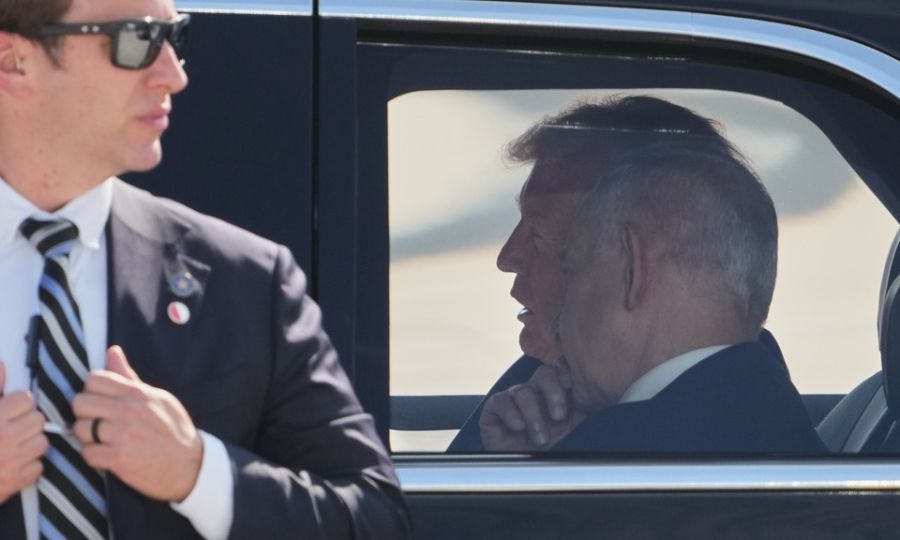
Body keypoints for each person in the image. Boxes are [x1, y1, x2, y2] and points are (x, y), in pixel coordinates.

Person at [0, 0, 410, 539]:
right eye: (137, 39)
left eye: (176, 37)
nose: (174, 75)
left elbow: (373, 520)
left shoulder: (244, 279)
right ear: (14, 61)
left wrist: (198, 473)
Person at [479, 140, 824, 453]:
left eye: (573, 270)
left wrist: (530, 468)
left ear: (633, 271)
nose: (560, 317)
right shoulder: (769, 409)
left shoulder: (621, 456)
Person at [448, 95, 745, 451]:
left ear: (634, 267)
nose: (508, 258)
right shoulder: (544, 387)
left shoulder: (706, 447)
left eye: (541, 234)